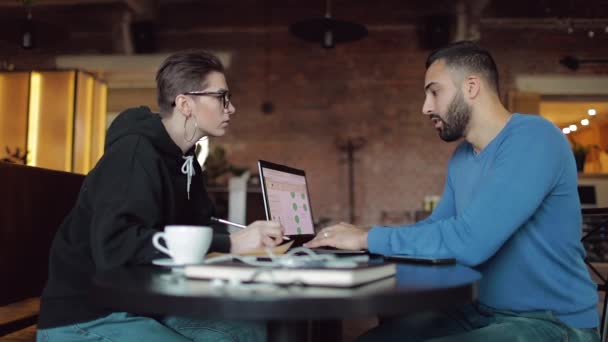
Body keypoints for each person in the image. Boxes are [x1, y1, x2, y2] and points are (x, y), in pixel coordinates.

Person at [305, 41, 600, 341]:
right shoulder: (462, 157)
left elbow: (470, 241)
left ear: (471, 86)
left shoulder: (535, 138)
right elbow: (436, 227)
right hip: (480, 312)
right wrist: (362, 237)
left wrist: (367, 238)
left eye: (435, 92)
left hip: (553, 322)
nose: (426, 107)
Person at [37, 50, 284, 342]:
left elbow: (200, 226)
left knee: (250, 330)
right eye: (221, 97)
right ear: (185, 103)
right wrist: (232, 243)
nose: (231, 108)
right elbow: (115, 246)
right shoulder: (133, 153)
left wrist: (248, 239)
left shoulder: (187, 161)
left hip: (145, 305)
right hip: (88, 315)